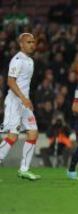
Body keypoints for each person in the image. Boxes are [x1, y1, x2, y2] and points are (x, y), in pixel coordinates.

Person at [0, 33, 40, 180]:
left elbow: (24, 85)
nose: (32, 44)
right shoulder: (17, 60)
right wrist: (23, 98)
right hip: (14, 102)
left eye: (33, 42)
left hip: (24, 102)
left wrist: (27, 100)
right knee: (13, 136)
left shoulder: (30, 61)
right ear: (21, 44)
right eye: (28, 42)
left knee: (33, 132)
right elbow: (11, 82)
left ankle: (24, 169)